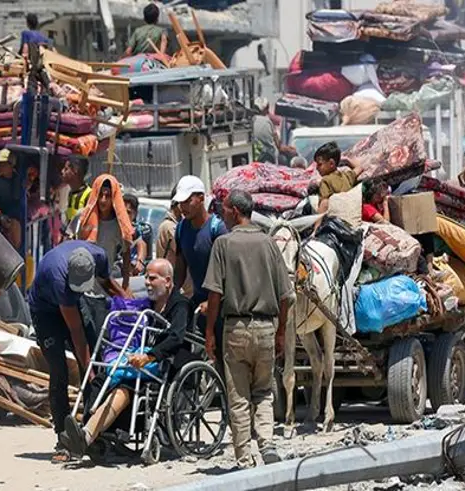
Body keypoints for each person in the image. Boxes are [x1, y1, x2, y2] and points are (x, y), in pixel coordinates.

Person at [58, 259, 191, 459]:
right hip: (140, 360)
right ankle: (90, 435)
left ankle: (87, 436)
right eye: (146, 278)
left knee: (123, 388)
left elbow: (176, 337)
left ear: (168, 281)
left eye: (152, 278)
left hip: (165, 363)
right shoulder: (148, 304)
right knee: (100, 380)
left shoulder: (180, 305)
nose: (147, 283)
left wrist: (149, 356)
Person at [203, 190, 293, 468]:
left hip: (236, 329)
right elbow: (286, 296)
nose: (221, 214)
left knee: (239, 396)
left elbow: (215, 295)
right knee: (264, 391)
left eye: (224, 208)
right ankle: (266, 443)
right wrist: (281, 332)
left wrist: (210, 332)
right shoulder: (269, 244)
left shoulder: (223, 244)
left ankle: (244, 458)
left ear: (235, 211)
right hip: (266, 328)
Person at [25, 240, 130, 462]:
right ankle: (63, 438)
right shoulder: (58, 279)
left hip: (73, 301)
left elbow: (109, 284)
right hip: (46, 312)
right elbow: (76, 333)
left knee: (96, 357)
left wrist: (129, 304)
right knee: (60, 371)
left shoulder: (99, 255)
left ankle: (91, 431)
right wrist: (88, 369)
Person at [172, 175, 228, 361]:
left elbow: (228, 273)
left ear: (201, 198)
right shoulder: (181, 229)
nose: (183, 207)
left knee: (222, 357)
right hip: (198, 302)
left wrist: (213, 302)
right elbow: (180, 267)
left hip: (222, 303)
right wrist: (173, 294)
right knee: (189, 352)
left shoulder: (217, 229)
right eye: (180, 203)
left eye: (188, 201)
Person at [78, 174, 138, 290]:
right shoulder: (83, 217)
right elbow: (69, 241)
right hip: (80, 282)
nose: (103, 200)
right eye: (100, 195)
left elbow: (126, 253)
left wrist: (125, 284)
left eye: (108, 196)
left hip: (103, 284)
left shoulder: (118, 225)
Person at [0, 148, 24, 250]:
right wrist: (1, 216)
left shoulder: (19, 180)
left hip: (15, 217)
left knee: (15, 226)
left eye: (2, 164)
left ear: (11, 165)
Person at [314, 141, 363, 215]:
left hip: (335, 216)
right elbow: (359, 167)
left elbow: (324, 204)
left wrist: (316, 222)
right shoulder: (347, 176)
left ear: (331, 163)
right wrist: (347, 160)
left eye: (319, 164)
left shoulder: (325, 181)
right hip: (349, 214)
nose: (317, 168)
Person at [123, 193, 151, 267]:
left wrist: (138, 263)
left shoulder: (141, 230)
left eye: (128, 212)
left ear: (135, 213)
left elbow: (141, 244)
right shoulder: (112, 228)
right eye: (122, 212)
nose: (125, 216)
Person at [62, 157, 92, 225]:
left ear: (75, 171)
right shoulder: (71, 193)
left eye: (66, 169)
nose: (62, 171)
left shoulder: (89, 195)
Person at [252, 98, 280, 165]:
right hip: (269, 157)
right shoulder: (267, 121)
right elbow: (277, 143)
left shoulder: (250, 120)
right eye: (267, 108)